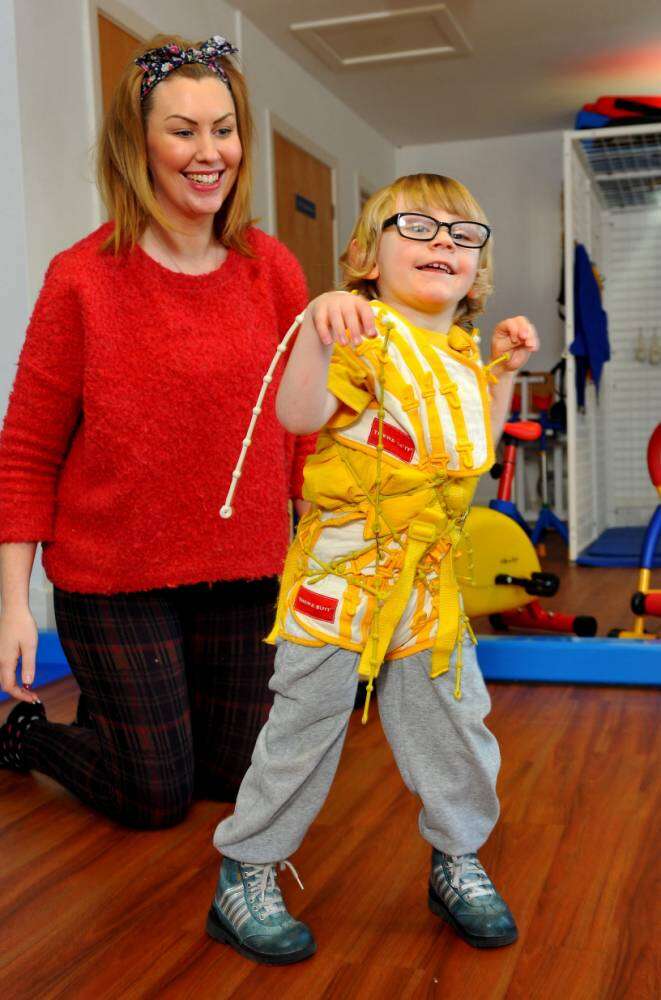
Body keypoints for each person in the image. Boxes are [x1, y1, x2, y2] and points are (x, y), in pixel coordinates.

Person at [206, 173, 539, 963]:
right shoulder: (359, 335)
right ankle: (244, 871)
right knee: (302, 730)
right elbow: (296, 416)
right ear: (365, 255)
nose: (442, 245)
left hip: (428, 587)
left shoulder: (460, 352)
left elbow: (475, 454)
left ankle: (456, 857)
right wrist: (319, 332)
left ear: (475, 269)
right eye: (416, 228)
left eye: (461, 236)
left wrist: (503, 372)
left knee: (455, 728)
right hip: (341, 583)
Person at [0, 34, 317, 826]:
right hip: (115, 580)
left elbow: (306, 427)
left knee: (232, 783)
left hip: (246, 571)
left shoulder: (271, 268)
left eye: (224, 128)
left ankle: (131, 724)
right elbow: (28, 449)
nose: (210, 152)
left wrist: (319, 553)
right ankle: (31, 735)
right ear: (136, 143)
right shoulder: (81, 278)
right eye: (183, 130)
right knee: (154, 798)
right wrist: (12, 604)